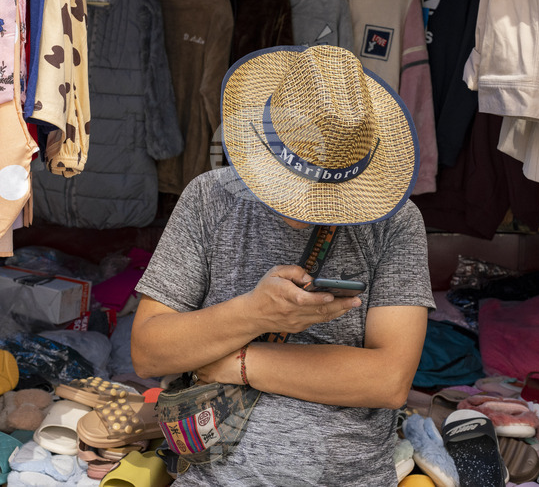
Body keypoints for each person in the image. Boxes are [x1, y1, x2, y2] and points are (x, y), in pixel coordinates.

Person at [131, 44, 435, 486]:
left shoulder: (397, 222)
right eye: (293, 184)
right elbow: (148, 351)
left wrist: (236, 361)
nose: (306, 205)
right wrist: (255, 312)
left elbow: (389, 379)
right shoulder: (209, 198)